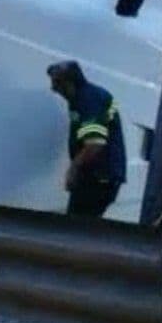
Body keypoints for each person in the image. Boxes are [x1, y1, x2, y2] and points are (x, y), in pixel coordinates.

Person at [48, 60, 126, 218]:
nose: (53, 89)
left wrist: (73, 169)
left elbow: (95, 143)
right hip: (96, 176)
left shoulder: (89, 100)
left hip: (99, 178)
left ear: (69, 83)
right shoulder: (80, 99)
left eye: (56, 83)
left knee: (77, 226)